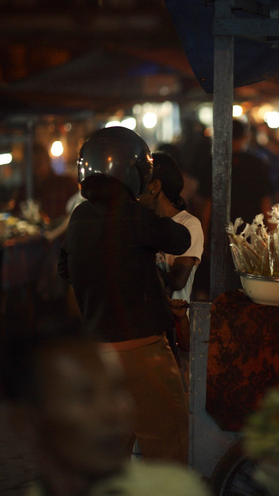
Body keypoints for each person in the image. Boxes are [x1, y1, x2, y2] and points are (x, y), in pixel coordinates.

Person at [58, 126, 191, 465]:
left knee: (108, 460)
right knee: (168, 452)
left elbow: (65, 269)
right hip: (144, 353)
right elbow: (180, 240)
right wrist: (149, 206)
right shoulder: (135, 216)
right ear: (132, 173)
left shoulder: (79, 216)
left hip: (98, 355)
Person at [0, 330, 210, 496]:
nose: (114, 411)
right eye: (85, 396)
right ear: (26, 422)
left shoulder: (175, 489)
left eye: (117, 389)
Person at [139, 151, 204, 386]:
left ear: (155, 187)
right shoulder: (142, 222)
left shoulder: (189, 225)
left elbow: (177, 281)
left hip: (174, 331)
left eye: (139, 181)